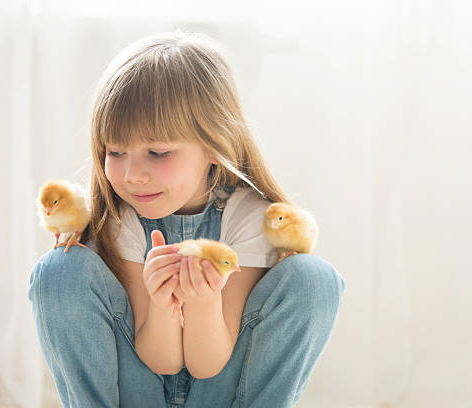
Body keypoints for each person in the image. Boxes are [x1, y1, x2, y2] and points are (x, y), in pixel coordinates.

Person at [28, 30, 344, 408]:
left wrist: (204, 302)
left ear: (214, 147)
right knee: (58, 271)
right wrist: (162, 306)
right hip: (137, 389)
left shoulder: (248, 218)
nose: (133, 175)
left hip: (219, 387)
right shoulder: (122, 217)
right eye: (115, 151)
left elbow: (208, 364)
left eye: (158, 153)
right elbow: (161, 358)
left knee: (313, 279)